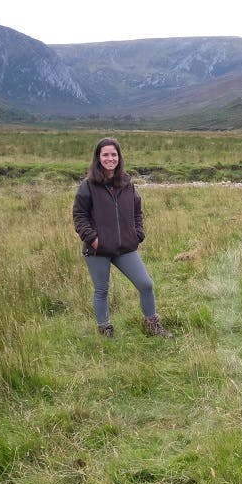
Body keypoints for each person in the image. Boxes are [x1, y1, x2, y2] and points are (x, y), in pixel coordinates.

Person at [72, 137, 171, 337]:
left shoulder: (127, 182)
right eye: (105, 154)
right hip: (98, 249)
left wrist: (137, 234)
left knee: (146, 284)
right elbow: (79, 215)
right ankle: (105, 328)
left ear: (119, 157)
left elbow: (137, 211)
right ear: (98, 158)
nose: (110, 158)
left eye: (114, 154)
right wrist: (93, 239)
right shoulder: (88, 185)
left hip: (125, 247)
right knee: (101, 290)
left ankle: (152, 325)